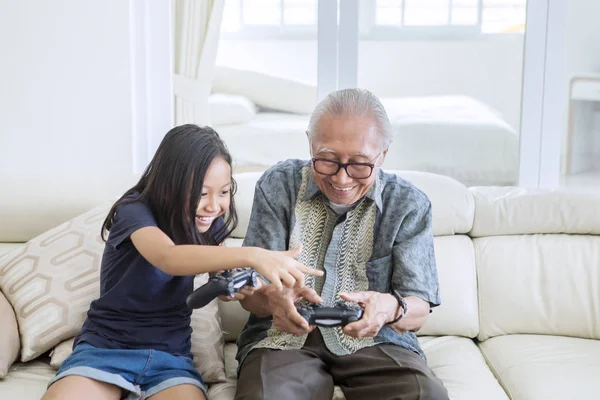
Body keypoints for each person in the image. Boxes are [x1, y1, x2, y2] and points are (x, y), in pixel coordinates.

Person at [41, 125, 322, 400]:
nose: (214, 206)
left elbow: (225, 283)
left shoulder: (210, 224)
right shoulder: (134, 211)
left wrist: (261, 293)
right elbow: (168, 257)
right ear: (169, 185)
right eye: (201, 193)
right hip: (106, 350)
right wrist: (253, 254)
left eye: (223, 192)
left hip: (170, 359)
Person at [234, 89, 449, 400]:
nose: (342, 179)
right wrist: (272, 299)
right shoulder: (278, 185)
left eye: (360, 164)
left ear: (383, 154)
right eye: (327, 160)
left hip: (376, 342)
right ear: (310, 143)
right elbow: (250, 295)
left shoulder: (408, 204)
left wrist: (389, 307)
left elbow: (419, 307)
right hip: (282, 338)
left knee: (425, 394)